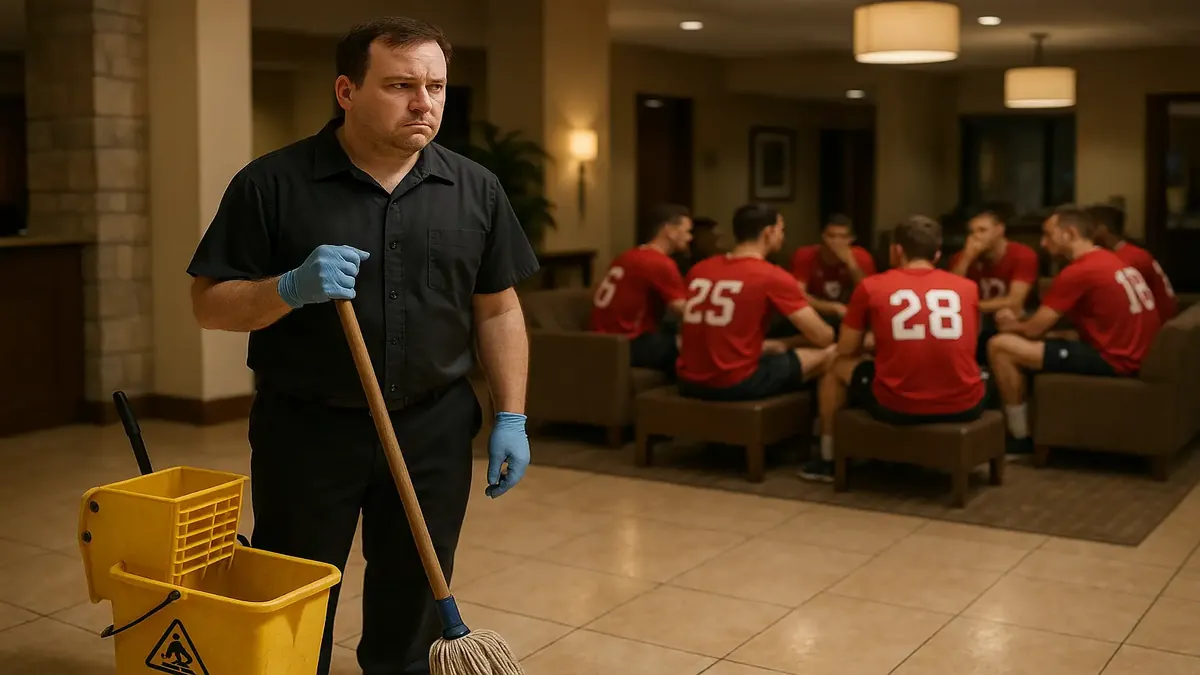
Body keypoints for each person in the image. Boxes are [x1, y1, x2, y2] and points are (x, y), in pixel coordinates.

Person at [186, 18, 539, 675]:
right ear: (346, 91)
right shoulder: (272, 185)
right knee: (295, 593)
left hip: (433, 428)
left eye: (436, 86)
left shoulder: (476, 189)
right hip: (308, 428)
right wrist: (288, 288)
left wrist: (512, 415)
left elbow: (498, 308)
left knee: (413, 599)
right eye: (401, 85)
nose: (424, 103)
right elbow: (209, 304)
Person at [801, 215, 984, 482]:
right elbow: (968, 341)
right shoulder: (968, 288)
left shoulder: (872, 286)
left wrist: (876, 342)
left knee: (835, 366)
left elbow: (846, 348)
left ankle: (828, 459)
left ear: (897, 251)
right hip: (965, 404)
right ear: (937, 253)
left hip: (898, 405)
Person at [987, 205, 1162, 454]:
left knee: (1000, 346)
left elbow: (1034, 329)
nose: (1043, 243)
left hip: (1115, 360)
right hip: (1136, 352)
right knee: (1054, 337)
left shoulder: (1079, 271)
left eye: (1048, 235)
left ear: (1070, 233)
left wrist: (1011, 324)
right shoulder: (1111, 259)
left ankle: (1019, 436)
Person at [676, 204, 836, 401]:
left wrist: (776, 344)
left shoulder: (699, 269)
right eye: (781, 230)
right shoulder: (772, 275)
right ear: (768, 233)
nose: (783, 236)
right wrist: (791, 342)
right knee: (833, 352)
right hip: (734, 382)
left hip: (687, 380)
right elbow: (823, 337)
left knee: (773, 349)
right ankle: (821, 421)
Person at [590, 204, 692, 372]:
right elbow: (685, 310)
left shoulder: (626, 256)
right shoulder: (660, 263)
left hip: (600, 341)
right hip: (628, 343)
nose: (690, 237)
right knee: (695, 348)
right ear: (670, 230)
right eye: (687, 231)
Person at [948, 203, 1040, 362]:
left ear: (999, 230)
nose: (975, 237)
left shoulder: (1022, 254)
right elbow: (949, 294)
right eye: (972, 232)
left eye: (982, 230)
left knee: (1006, 313)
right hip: (978, 319)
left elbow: (1014, 301)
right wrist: (967, 259)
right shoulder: (961, 258)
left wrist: (972, 305)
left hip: (1016, 316)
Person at [1088, 203, 1178, 323]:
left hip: (1156, 323)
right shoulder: (1126, 251)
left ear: (1102, 229)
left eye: (1088, 229)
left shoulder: (1128, 258)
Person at [789, 214, 878, 325]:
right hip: (814, 314)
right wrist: (832, 308)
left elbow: (869, 296)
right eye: (831, 236)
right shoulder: (805, 255)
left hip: (850, 316)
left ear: (851, 239)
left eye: (843, 237)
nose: (836, 241)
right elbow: (798, 295)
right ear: (823, 236)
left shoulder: (862, 257)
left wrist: (851, 263)